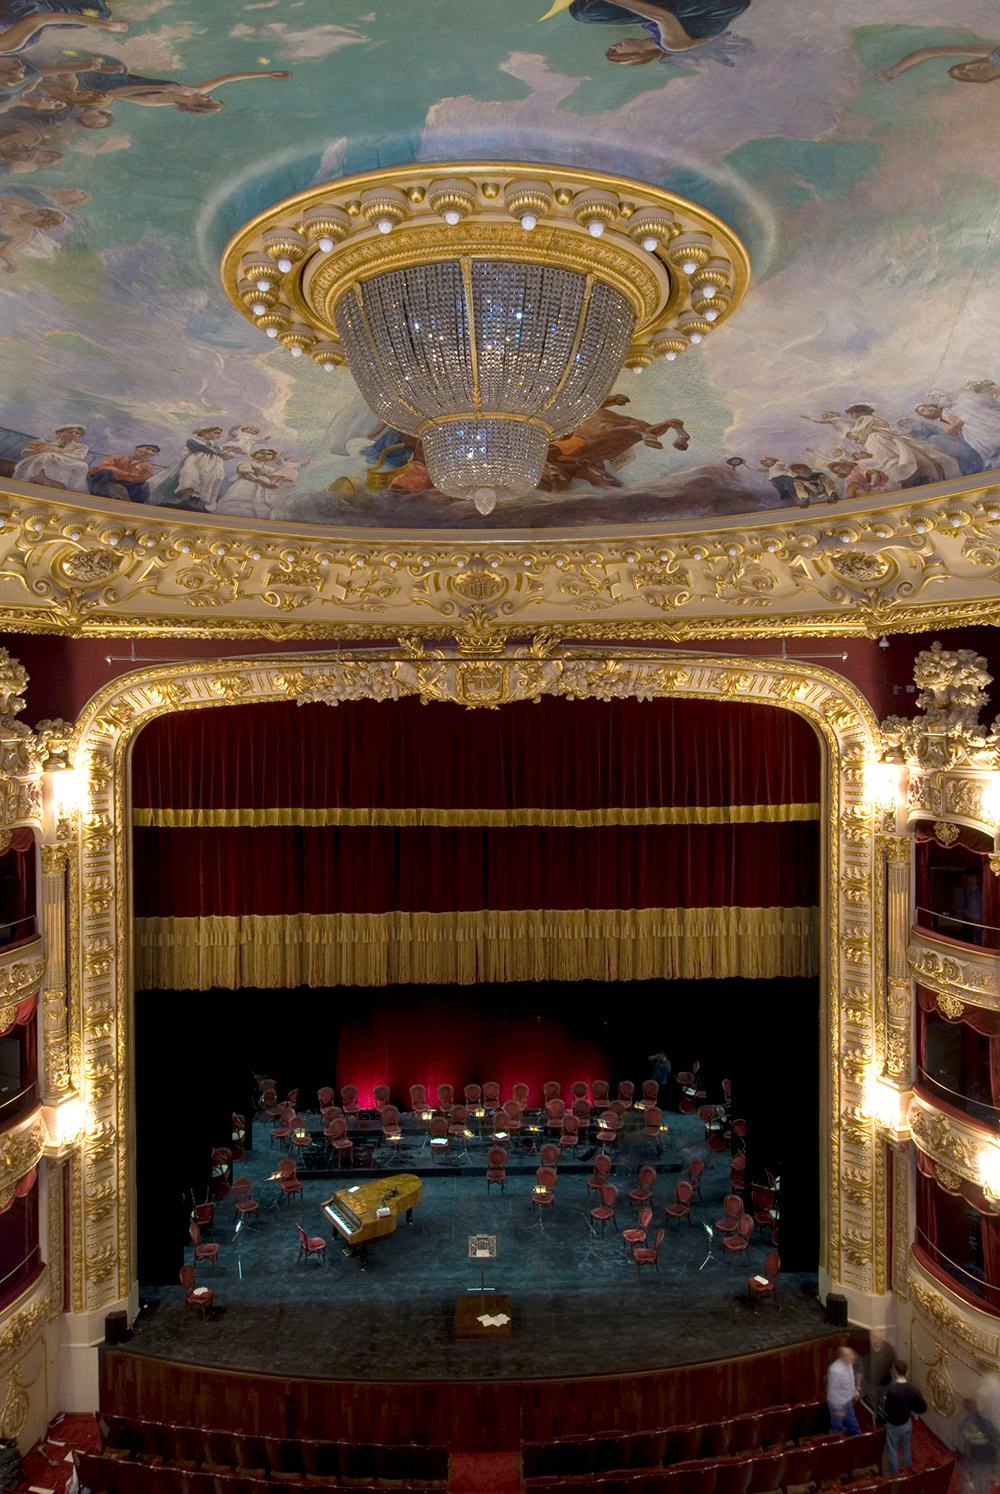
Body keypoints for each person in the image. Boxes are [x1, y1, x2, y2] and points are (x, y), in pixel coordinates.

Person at [155, 426, 231, 512]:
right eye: (216, 433)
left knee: (205, 483)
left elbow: (221, 453)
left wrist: (226, 454)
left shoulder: (216, 445)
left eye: (219, 434)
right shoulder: (194, 441)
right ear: (204, 432)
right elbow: (206, 448)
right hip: (194, 464)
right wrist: (223, 454)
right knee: (189, 479)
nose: (219, 435)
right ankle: (181, 501)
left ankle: (196, 504)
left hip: (211, 468)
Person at [875, 41, 1000, 87]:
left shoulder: (992, 54)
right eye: (966, 74)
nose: (968, 69)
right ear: (982, 79)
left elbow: (930, 52)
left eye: (963, 67)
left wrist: (893, 72)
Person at [881, 1360, 926, 1473]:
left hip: (894, 1425)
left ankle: (895, 1476)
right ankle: (907, 1472)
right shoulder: (912, 1388)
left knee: (892, 1450)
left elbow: (887, 1410)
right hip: (907, 1423)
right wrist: (912, 1410)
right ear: (906, 1372)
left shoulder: (892, 1391)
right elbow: (923, 1406)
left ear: (895, 1372)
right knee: (906, 1448)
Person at [12, 423, 88, 490]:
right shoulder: (49, 444)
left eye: (77, 433)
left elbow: (78, 456)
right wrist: (38, 449)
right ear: (60, 433)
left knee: (82, 466)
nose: (73, 434)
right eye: (70, 432)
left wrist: (57, 453)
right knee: (45, 457)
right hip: (50, 463)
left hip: (68, 463)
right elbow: (25, 452)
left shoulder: (80, 446)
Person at [86, 444, 160, 503]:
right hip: (109, 476)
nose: (149, 452)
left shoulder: (148, 467)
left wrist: (142, 477)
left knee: (143, 486)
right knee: (104, 472)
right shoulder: (117, 457)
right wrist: (127, 474)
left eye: (153, 451)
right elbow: (104, 466)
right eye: (147, 448)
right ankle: (102, 495)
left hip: (126, 481)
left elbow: (141, 479)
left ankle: (139, 504)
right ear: (136, 449)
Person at [956, 1397, 998, 1494]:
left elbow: (967, 1444)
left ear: (964, 1410)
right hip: (989, 1458)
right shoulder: (987, 1422)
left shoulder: (966, 1424)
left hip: (977, 1458)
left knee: (971, 1479)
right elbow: (994, 1438)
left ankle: (967, 1490)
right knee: (982, 1482)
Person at [826, 1346, 861, 1435]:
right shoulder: (835, 1370)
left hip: (847, 1401)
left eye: (852, 1355)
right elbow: (832, 1391)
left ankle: (857, 1440)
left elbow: (851, 1379)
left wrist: (854, 1390)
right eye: (849, 1355)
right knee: (838, 1429)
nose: (853, 1357)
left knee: (854, 1425)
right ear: (843, 1357)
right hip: (837, 1405)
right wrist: (838, 1409)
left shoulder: (849, 1364)